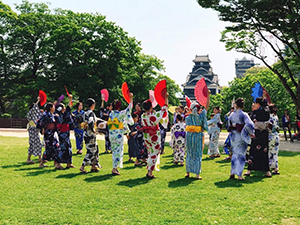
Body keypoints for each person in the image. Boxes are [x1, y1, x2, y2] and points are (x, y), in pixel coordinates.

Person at [141, 93, 169, 179]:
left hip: (146, 135)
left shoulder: (143, 116)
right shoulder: (153, 115)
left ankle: (149, 169)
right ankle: (150, 171)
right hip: (154, 135)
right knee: (155, 152)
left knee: (150, 152)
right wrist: (166, 98)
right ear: (151, 107)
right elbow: (164, 110)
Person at [185, 91, 210, 180]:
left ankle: (187, 172)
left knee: (189, 153)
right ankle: (197, 174)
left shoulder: (187, 118)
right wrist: (208, 96)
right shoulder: (200, 116)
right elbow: (206, 107)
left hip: (189, 136)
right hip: (198, 136)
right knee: (197, 154)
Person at [228, 98, 254, 180]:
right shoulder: (244, 114)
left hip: (233, 136)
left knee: (234, 154)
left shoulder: (231, 115)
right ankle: (239, 175)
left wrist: (234, 126)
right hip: (241, 135)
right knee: (241, 155)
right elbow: (250, 124)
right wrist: (249, 132)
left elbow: (228, 125)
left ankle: (232, 173)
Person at [244, 97, 271, 177]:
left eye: (255, 103)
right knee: (260, 152)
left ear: (258, 104)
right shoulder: (266, 111)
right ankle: (266, 171)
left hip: (258, 133)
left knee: (255, 151)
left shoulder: (257, 112)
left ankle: (250, 170)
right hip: (261, 134)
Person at [108, 94, 134, 175]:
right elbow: (129, 108)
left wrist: (126, 131)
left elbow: (123, 123)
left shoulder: (111, 114)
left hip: (112, 135)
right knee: (118, 152)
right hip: (118, 135)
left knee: (114, 151)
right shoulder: (120, 114)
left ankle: (115, 167)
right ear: (119, 107)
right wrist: (131, 98)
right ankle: (114, 168)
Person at [37, 103, 64, 169]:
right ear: (51, 108)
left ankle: (55, 163)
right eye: (53, 107)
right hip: (48, 134)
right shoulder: (46, 115)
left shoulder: (53, 115)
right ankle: (57, 164)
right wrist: (42, 129)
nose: (54, 108)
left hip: (52, 133)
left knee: (54, 147)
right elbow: (40, 123)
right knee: (52, 148)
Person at [79, 98, 101, 174]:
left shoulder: (85, 113)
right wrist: (93, 130)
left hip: (86, 133)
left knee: (96, 149)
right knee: (91, 150)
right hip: (90, 134)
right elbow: (91, 122)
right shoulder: (91, 113)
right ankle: (82, 166)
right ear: (93, 105)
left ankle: (93, 165)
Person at [56, 95, 75, 169]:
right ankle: (58, 164)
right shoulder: (62, 115)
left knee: (68, 148)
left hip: (64, 132)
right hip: (63, 133)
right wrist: (70, 99)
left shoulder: (59, 115)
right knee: (64, 148)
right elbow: (68, 108)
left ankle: (68, 163)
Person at [26, 96, 43, 164]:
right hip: (33, 129)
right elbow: (34, 109)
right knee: (38, 143)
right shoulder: (30, 113)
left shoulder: (35, 114)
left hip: (34, 130)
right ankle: (39, 158)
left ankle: (29, 159)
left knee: (32, 144)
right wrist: (38, 101)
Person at [268, 104, 280, 175]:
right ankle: (276, 168)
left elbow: (269, 127)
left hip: (271, 136)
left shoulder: (269, 117)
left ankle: (268, 167)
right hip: (276, 136)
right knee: (275, 153)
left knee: (269, 152)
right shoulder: (276, 117)